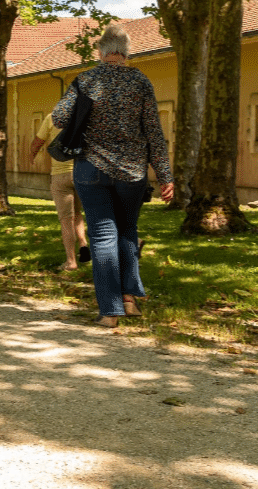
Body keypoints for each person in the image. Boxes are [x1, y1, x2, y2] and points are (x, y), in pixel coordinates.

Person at [51, 24, 174, 328]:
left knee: (103, 236)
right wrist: (165, 174)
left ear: (101, 50)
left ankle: (110, 311)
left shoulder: (86, 80)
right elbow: (154, 133)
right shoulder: (140, 82)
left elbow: (58, 117)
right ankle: (129, 299)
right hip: (132, 171)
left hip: (91, 168)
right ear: (127, 51)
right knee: (127, 231)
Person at [30, 114, 91, 271]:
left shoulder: (52, 118)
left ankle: (71, 262)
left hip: (60, 175)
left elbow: (38, 141)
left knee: (66, 219)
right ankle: (83, 245)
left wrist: (32, 154)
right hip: (82, 173)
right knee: (77, 213)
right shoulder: (86, 117)